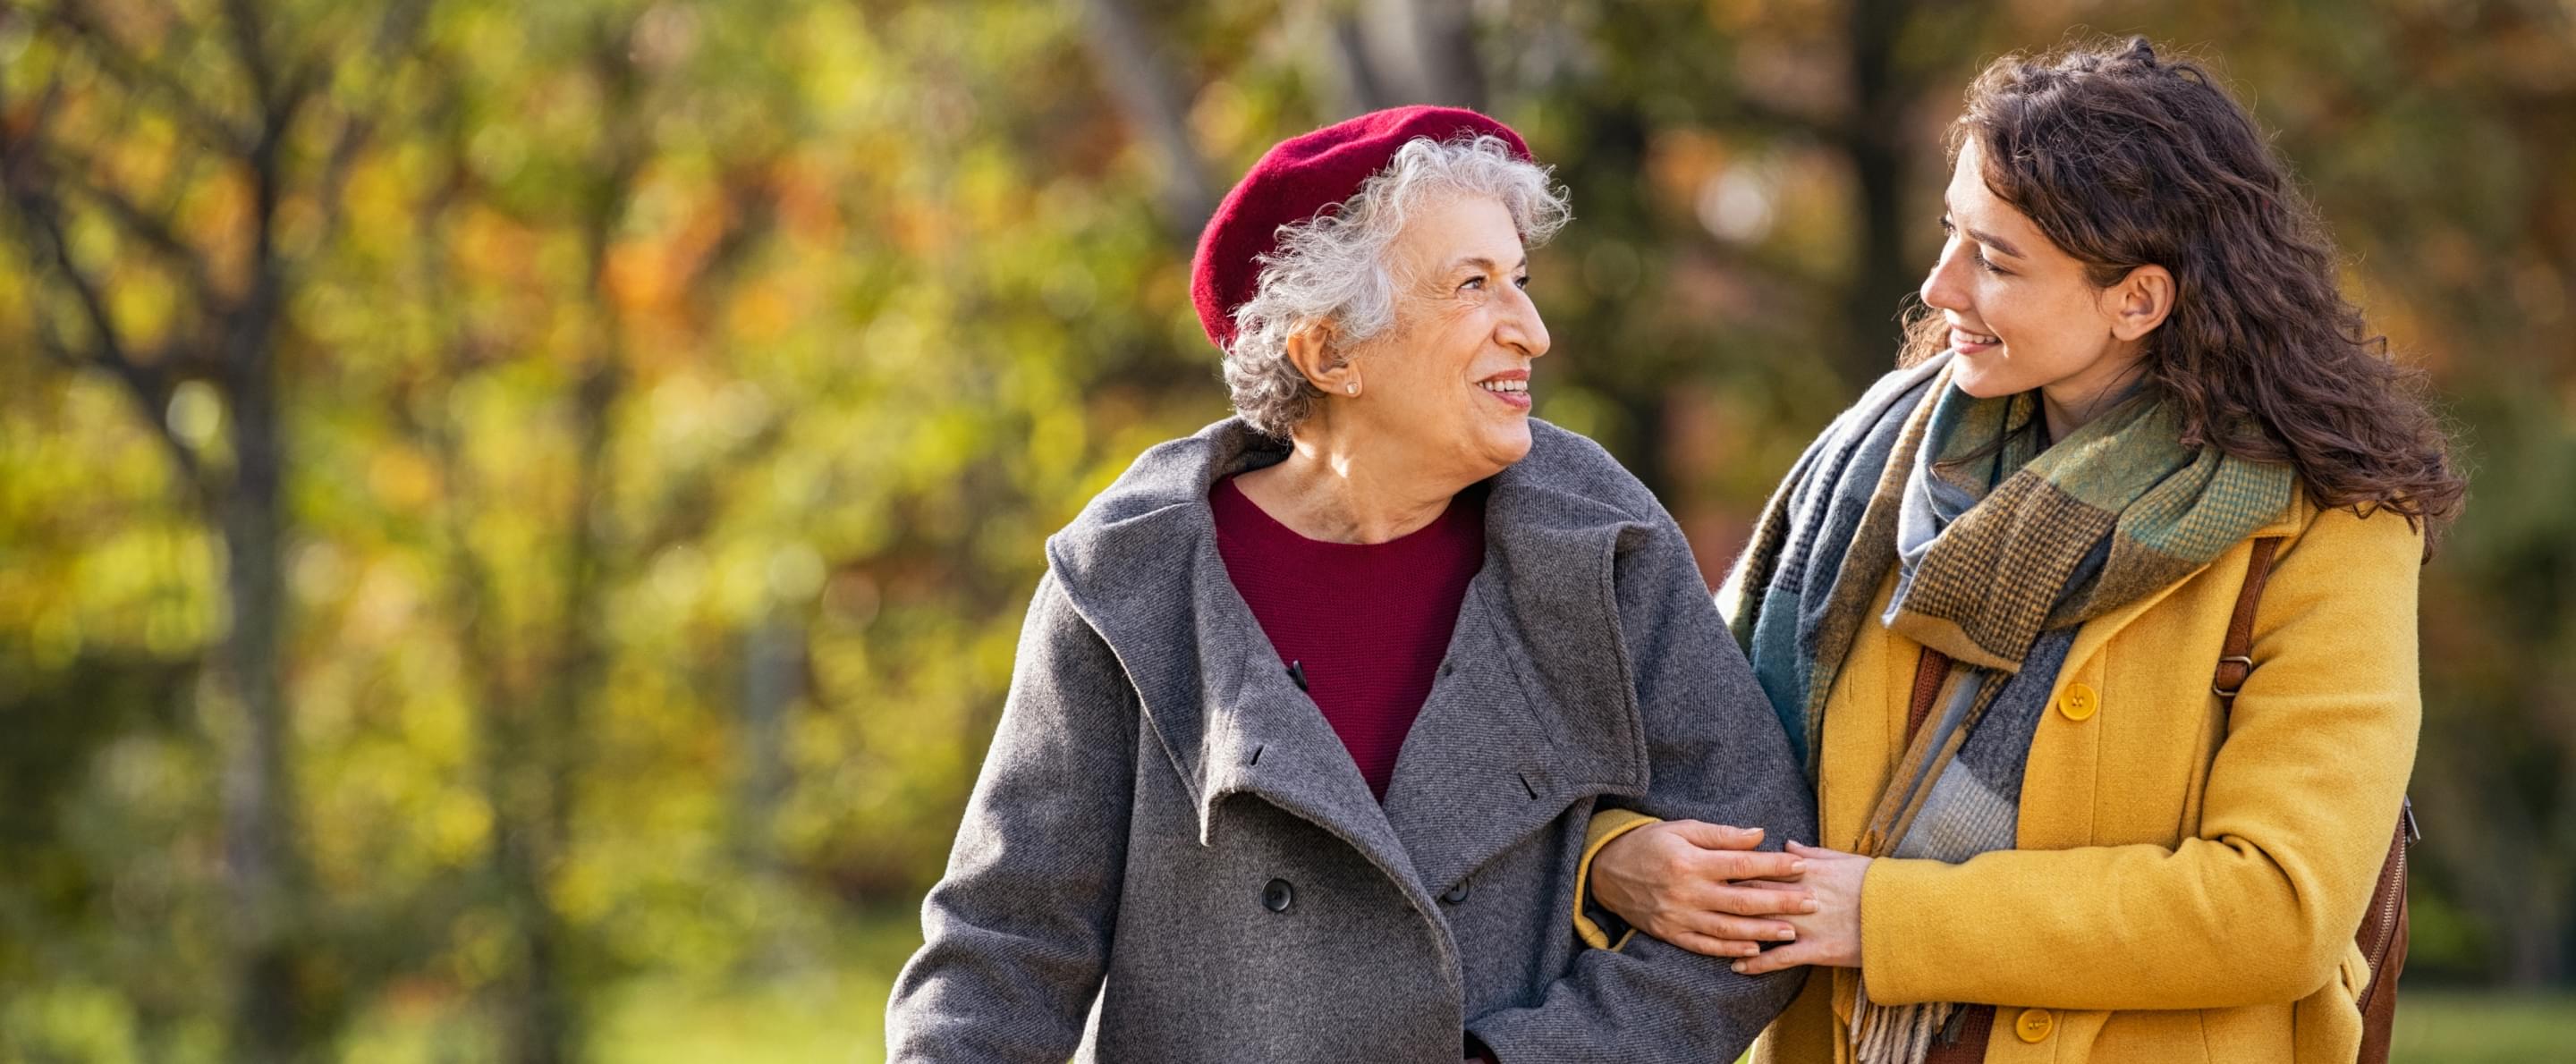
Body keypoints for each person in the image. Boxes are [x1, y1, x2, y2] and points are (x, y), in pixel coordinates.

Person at [1584, 38, 2462, 1064]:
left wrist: (1891, 919)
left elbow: (2276, 902)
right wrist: (1617, 854)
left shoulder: (2331, 529)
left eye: (1995, 260)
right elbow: (1679, 749)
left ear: (2137, 299)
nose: (1940, 284)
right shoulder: (1872, 476)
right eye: (1953, 235)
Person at [884, 106, 1815, 1062]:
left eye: (1520, 280)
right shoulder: (1134, 579)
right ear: (1330, 353)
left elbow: (1762, 881)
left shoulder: (1598, 540)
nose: (1530, 330)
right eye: (1473, 286)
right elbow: (1003, 952)